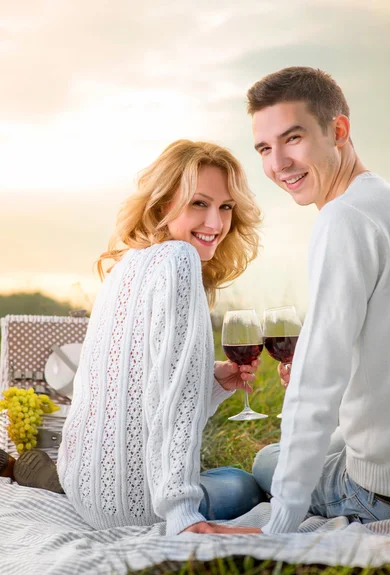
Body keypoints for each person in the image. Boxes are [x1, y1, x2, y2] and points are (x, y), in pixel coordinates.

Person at [0, 140, 266, 535]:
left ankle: (35, 471)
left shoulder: (126, 265)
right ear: (162, 206)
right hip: (137, 507)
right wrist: (182, 514)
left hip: (82, 486)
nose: (215, 223)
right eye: (199, 203)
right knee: (249, 481)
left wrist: (212, 382)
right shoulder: (180, 260)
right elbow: (173, 401)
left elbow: (139, 391)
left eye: (226, 207)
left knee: (227, 474)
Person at [245, 66, 390, 534]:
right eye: (264, 149)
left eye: (292, 139)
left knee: (267, 462)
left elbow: (318, 381)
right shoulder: (389, 202)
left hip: (381, 493)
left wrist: (282, 520)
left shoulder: (343, 218)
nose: (278, 164)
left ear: (338, 130)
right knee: (301, 448)